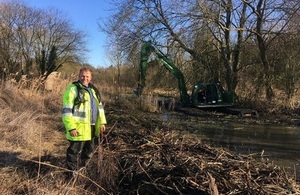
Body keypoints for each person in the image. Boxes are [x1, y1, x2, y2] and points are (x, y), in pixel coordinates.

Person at [62, 67, 106, 174]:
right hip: (78, 128)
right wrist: (71, 127)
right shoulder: (72, 89)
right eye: (82, 76)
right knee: (74, 153)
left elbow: (100, 108)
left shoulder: (94, 91)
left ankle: (83, 171)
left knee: (88, 152)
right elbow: (66, 110)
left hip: (92, 127)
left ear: (90, 77)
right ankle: (71, 175)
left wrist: (103, 122)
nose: (84, 78)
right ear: (79, 76)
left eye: (87, 76)